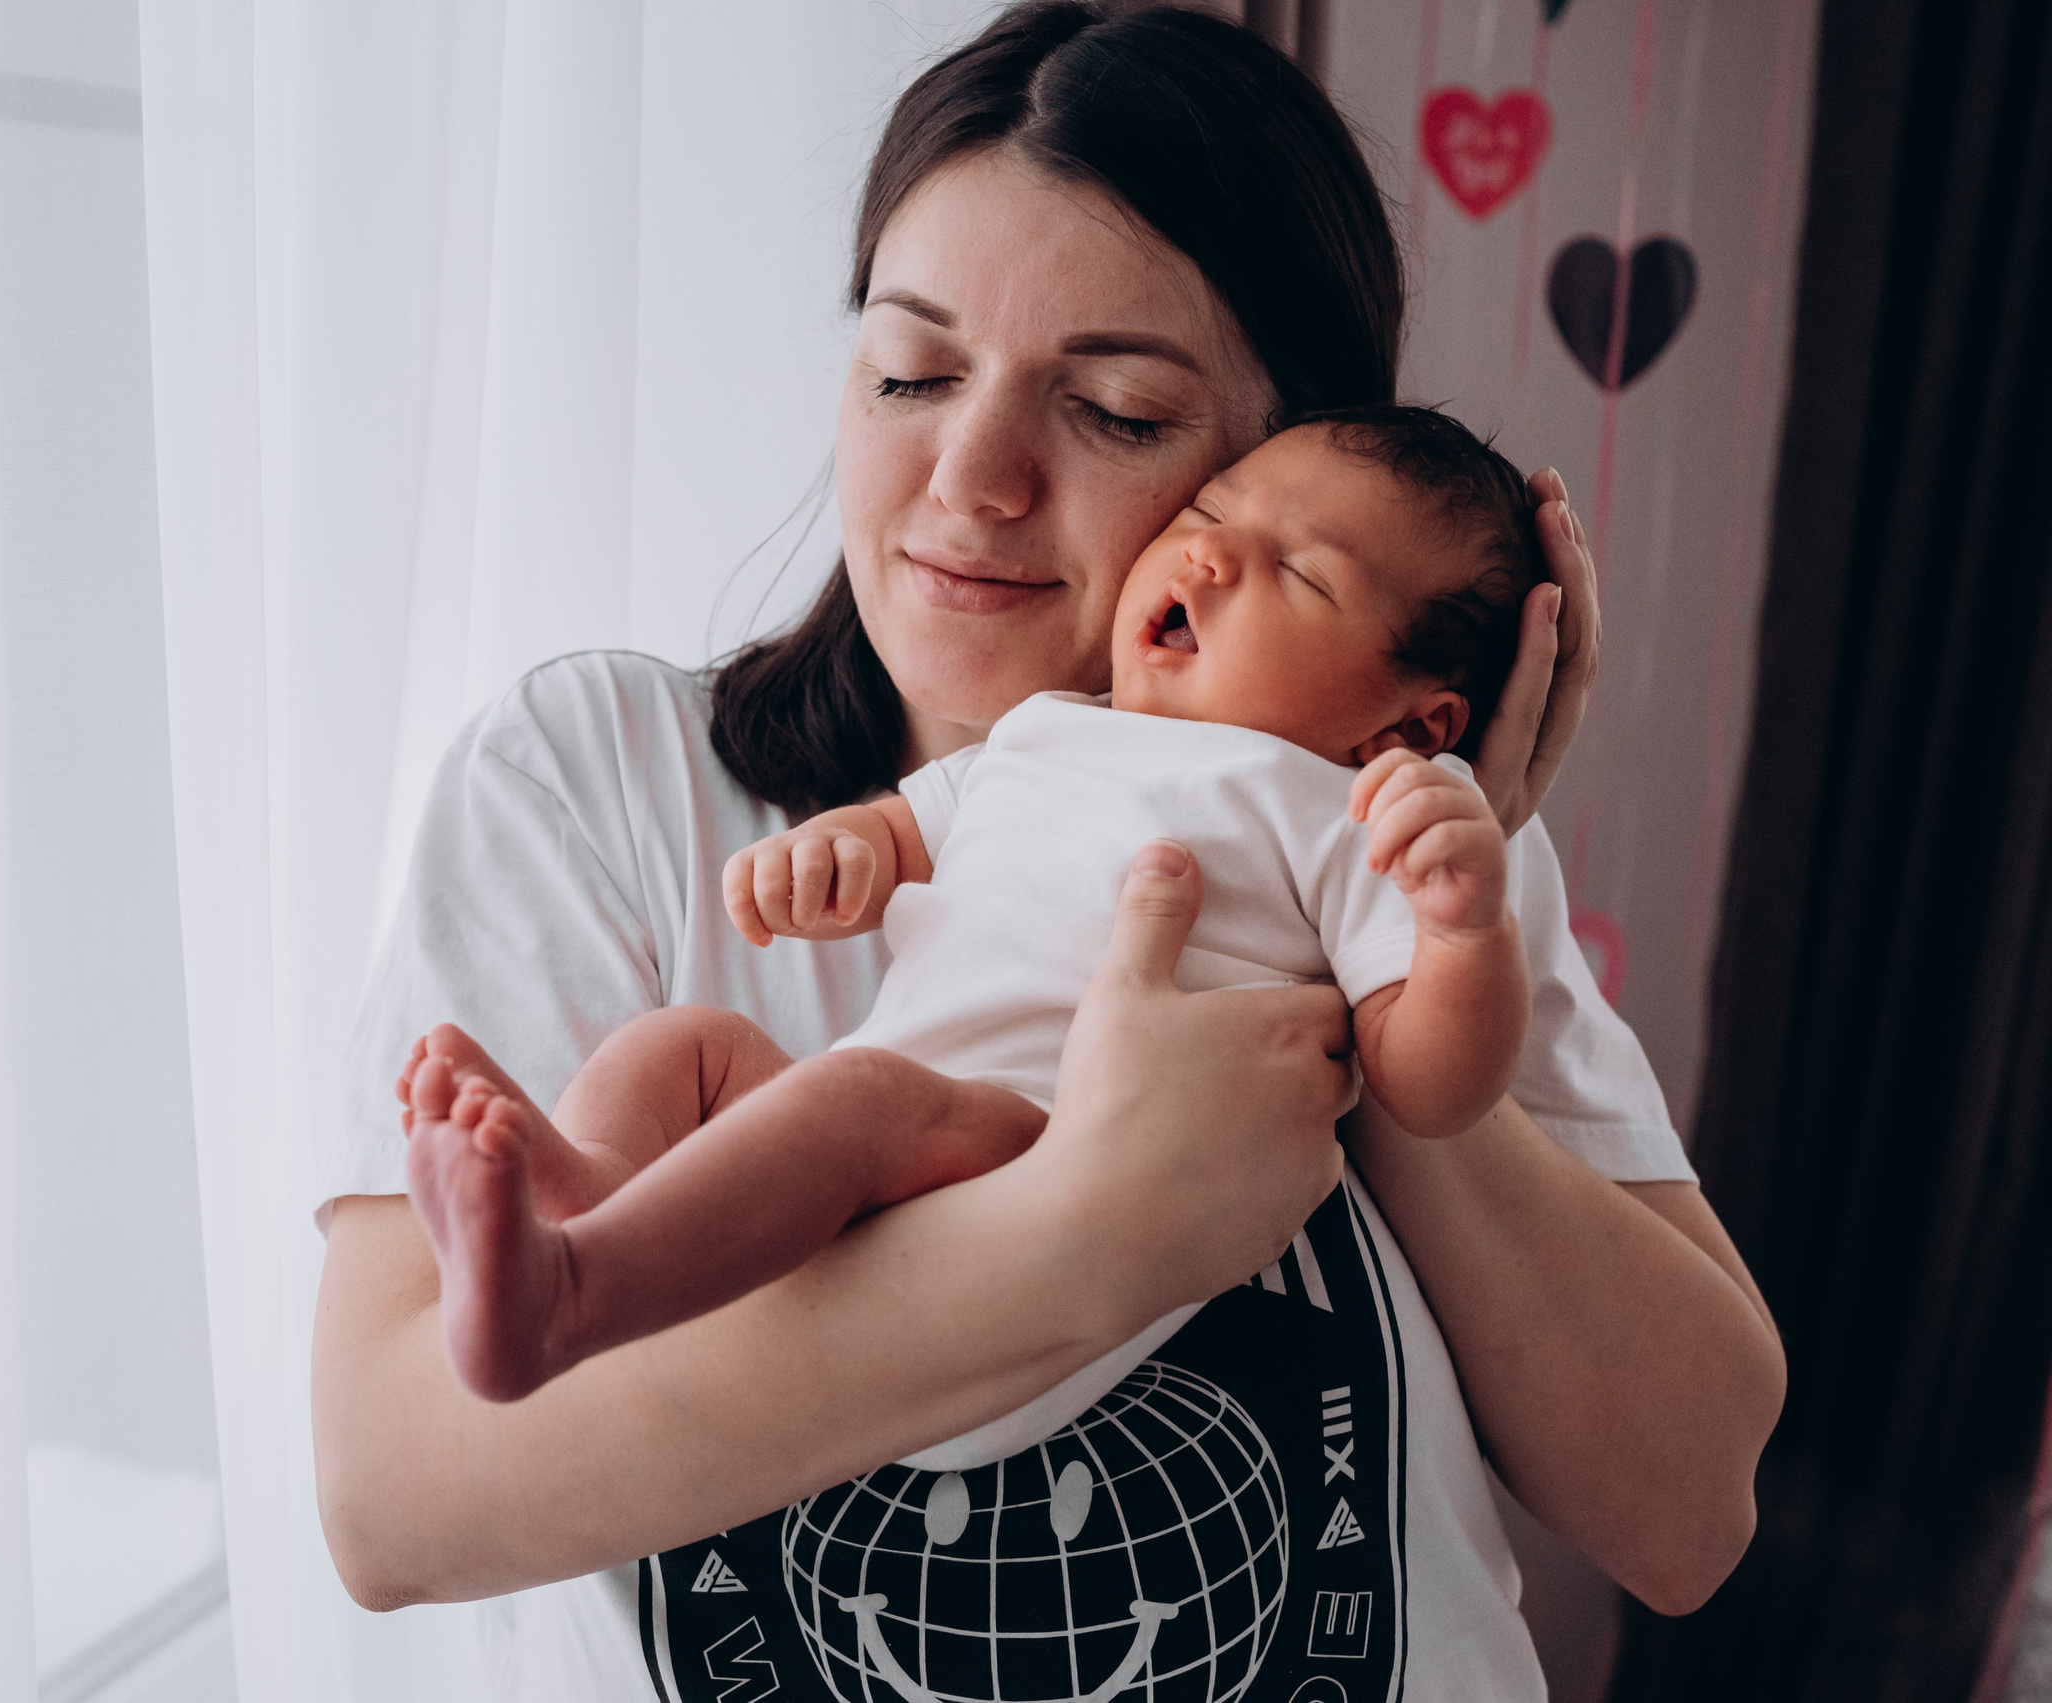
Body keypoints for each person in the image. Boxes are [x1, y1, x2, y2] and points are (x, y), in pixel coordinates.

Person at [312, 6, 1785, 1700]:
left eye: (1115, 410)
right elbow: (391, 1501)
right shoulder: (604, 778)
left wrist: (1361, 976)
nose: (972, 477)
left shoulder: (1410, 840)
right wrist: (1089, 1231)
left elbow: (1687, 1512)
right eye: (911, 371)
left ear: (1299, 456)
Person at [399, 406, 1548, 1409]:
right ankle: (599, 1194)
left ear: (1409, 727)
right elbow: (905, 834)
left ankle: (575, 1296)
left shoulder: (1343, 811)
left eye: (1297, 571)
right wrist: (835, 856)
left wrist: (1460, 931)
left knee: (853, 1093)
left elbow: (1428, 1085)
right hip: (911, 1136)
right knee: (688, 1049)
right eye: (1209, 511)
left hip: (1039, 1152)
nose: (1208, 555)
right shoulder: (1049, 728)